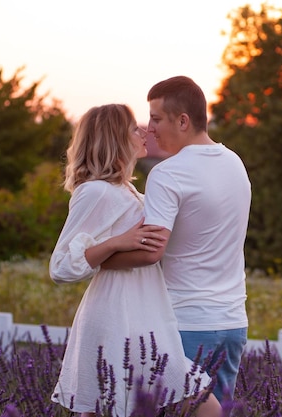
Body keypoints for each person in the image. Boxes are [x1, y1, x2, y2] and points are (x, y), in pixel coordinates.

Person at [49, 104, 221, 417]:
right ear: (114, 138)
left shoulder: (127, 190)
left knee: (188, 402)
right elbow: (60, 266)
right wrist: (116, 242)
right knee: (201, 405)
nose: (143, 132)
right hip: (117, 315)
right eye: (133, 128)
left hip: (146, 312)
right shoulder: (94, 192)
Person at [102, 76, 252, 402]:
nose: (150, 127)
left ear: (183, 120)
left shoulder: (168, 173)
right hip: (232, 323)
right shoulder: (235, 163)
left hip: (184, 323)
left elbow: (150, 252)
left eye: (156, 118)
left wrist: (98, 257)